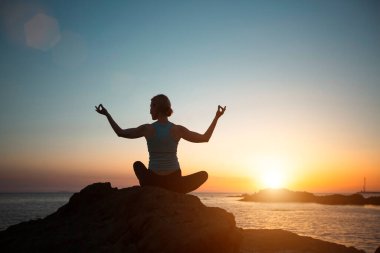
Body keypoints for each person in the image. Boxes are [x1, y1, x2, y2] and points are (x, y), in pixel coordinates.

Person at [95, 94, 226, 194]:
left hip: (153, 181)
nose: (150, 110)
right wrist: (216, 117)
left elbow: (120, 132)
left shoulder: (147, 128)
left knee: (137, 165)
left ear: (158, 107)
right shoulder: (177, 129)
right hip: (174, 182)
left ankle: (150, 190)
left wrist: (107, 114)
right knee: (204, 175)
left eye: (151, 106)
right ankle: (177, 190)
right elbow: (205, 138)